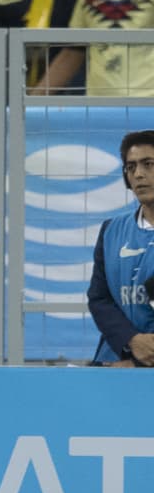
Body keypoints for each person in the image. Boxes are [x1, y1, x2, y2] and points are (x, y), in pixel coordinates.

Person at [89, 131, 154, 366]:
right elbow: (99, 298)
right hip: (114, 361)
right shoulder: (111, 230)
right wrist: (131, 341)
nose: (138, 174)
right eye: (131, 167)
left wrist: (139, 361)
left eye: (148, 164)